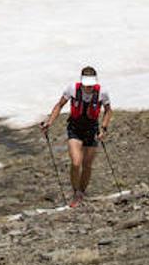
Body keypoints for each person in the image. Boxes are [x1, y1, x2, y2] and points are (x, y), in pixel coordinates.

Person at [41, 66, 112, 207]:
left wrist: (104, 127)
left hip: (92, 130)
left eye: (91, 85)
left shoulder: (102, 93)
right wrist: (49, 121)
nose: (89, 88)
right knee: (76, 163)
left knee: (87, 165)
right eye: (86, 85)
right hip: (75, 129)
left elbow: (108, 111)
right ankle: (76, 192)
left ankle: (81, 192)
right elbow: (59, 105)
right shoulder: (72, 89)